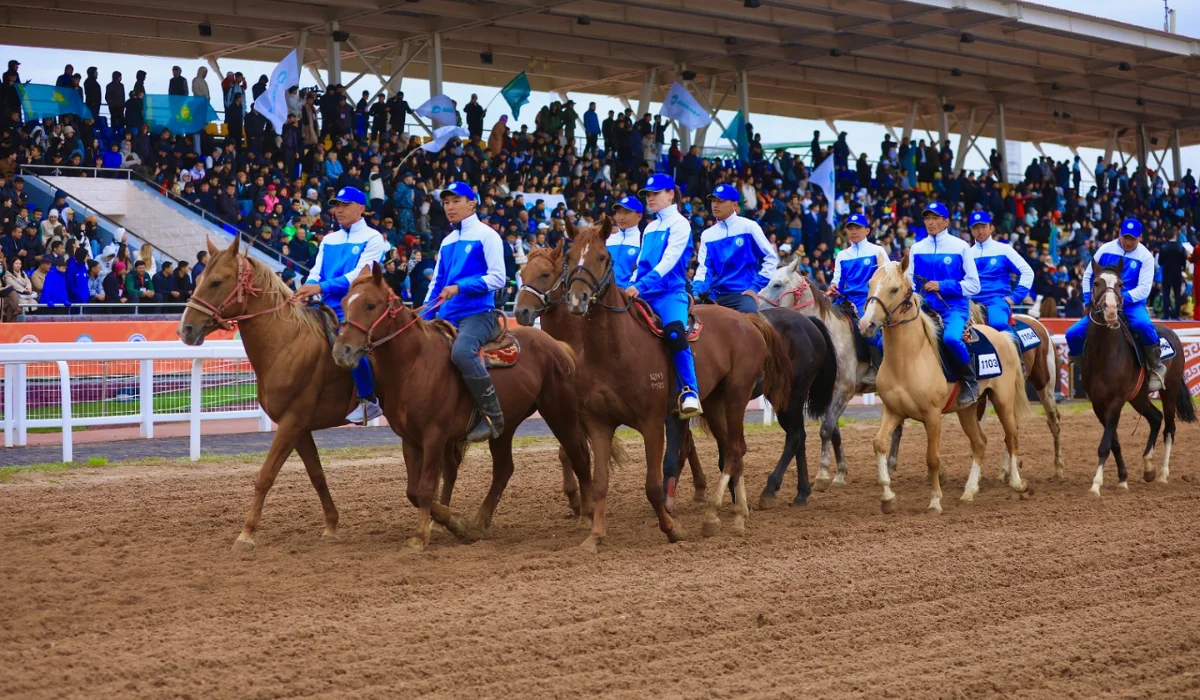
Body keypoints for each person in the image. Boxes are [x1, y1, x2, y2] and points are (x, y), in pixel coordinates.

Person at [293, 186, 388, 424]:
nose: (339, 210)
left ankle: (368, 400)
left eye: (346, 205)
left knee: (347, 344)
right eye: (337, 205)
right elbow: (317, 270)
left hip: (353, 309)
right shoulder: (329, 239)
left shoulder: (374, 238)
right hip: (324, 305)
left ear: (362, 209)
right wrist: (308, 286)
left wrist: (321, 287)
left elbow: (360, 275)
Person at [422, 181, 507, 442]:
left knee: (461, 352)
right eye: (446, 202)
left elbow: (498, 278)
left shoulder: (487, 235)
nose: (449, 207)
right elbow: (436, 284)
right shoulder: (447, 241)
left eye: (456, 201)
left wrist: (460, 286)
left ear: (472, 203)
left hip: (479, 313)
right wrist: (421, 318)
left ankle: (492, 416)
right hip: (447, 315)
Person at [626, 173, 702, 417]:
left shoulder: (680, 224)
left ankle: (689, 391)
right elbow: (640, 264)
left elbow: (669, 261)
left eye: (655, 194)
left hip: (670, 293)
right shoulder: (648, 227)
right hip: (644, 291)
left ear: (671, 194)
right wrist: (628, 284)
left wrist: (641, 285)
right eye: (648, 195)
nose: (650, 198)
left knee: (673, 333)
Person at [1066, 217, 1163, 392]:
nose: (1128, 242)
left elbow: (1144, 289)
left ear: (1140, 237)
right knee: (1072, 334)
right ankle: (1082, 364)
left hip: (1131, 304)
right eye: (1125, 237)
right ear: (1119, 233)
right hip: (1103, 304)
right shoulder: (1105, 249)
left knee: (1143, 325)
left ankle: (1156, 367)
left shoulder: (1146, 257)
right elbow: (1089, 275)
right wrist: (1089, 300)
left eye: (1132, 239)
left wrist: (1119, 297)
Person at [907, 201, 981, 404]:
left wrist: (942, 286)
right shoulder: (916, 248)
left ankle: (970, 381)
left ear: (946, 221)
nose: (930, 223)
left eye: (935, 218)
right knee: (885, 338)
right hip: (922, 308)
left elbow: (974, 286)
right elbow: (910, 281)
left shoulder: (961, 247)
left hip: (953, 309)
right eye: (927, 218)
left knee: (950, 339)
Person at [691, 183, 778, 314]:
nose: (715, 205)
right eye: (713, 201)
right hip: (714, 295)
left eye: (720, 201)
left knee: (749, 322)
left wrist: (754, 288)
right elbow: (704, 269)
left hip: (742, 295)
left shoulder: (749, 227)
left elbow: (771, 258)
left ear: (734, 205)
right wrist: (696, 292)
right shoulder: (707, 235)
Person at [828, 213, 887, 383]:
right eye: (850, 228)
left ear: (867, 230)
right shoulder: (842, 255)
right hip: (844, 300)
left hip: (868, 300)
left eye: (858, 228)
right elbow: (837, 280)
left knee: (869, 330)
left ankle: (877, 368)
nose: (854, 232)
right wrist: (833, 287)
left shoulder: (877, 251)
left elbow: (887, 276)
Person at [968, 210, 1032, 342]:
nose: (980, 231)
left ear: (991, 228)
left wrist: (1015, 297)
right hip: (970, 302)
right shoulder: (966, 253)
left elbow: (1027, 272)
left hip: (996, 301)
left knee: (997, 324)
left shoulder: (1004, 249)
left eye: (983, 227)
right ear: (971, 230)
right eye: (976, 228)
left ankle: (1017, 360)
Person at [606, 195, 643, 288]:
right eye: (618, 212)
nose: (621, 217)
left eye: (626, 213)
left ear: (639, 216)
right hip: (603, 294)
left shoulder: (643, 240)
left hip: (630, 295)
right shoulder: (608, 239)